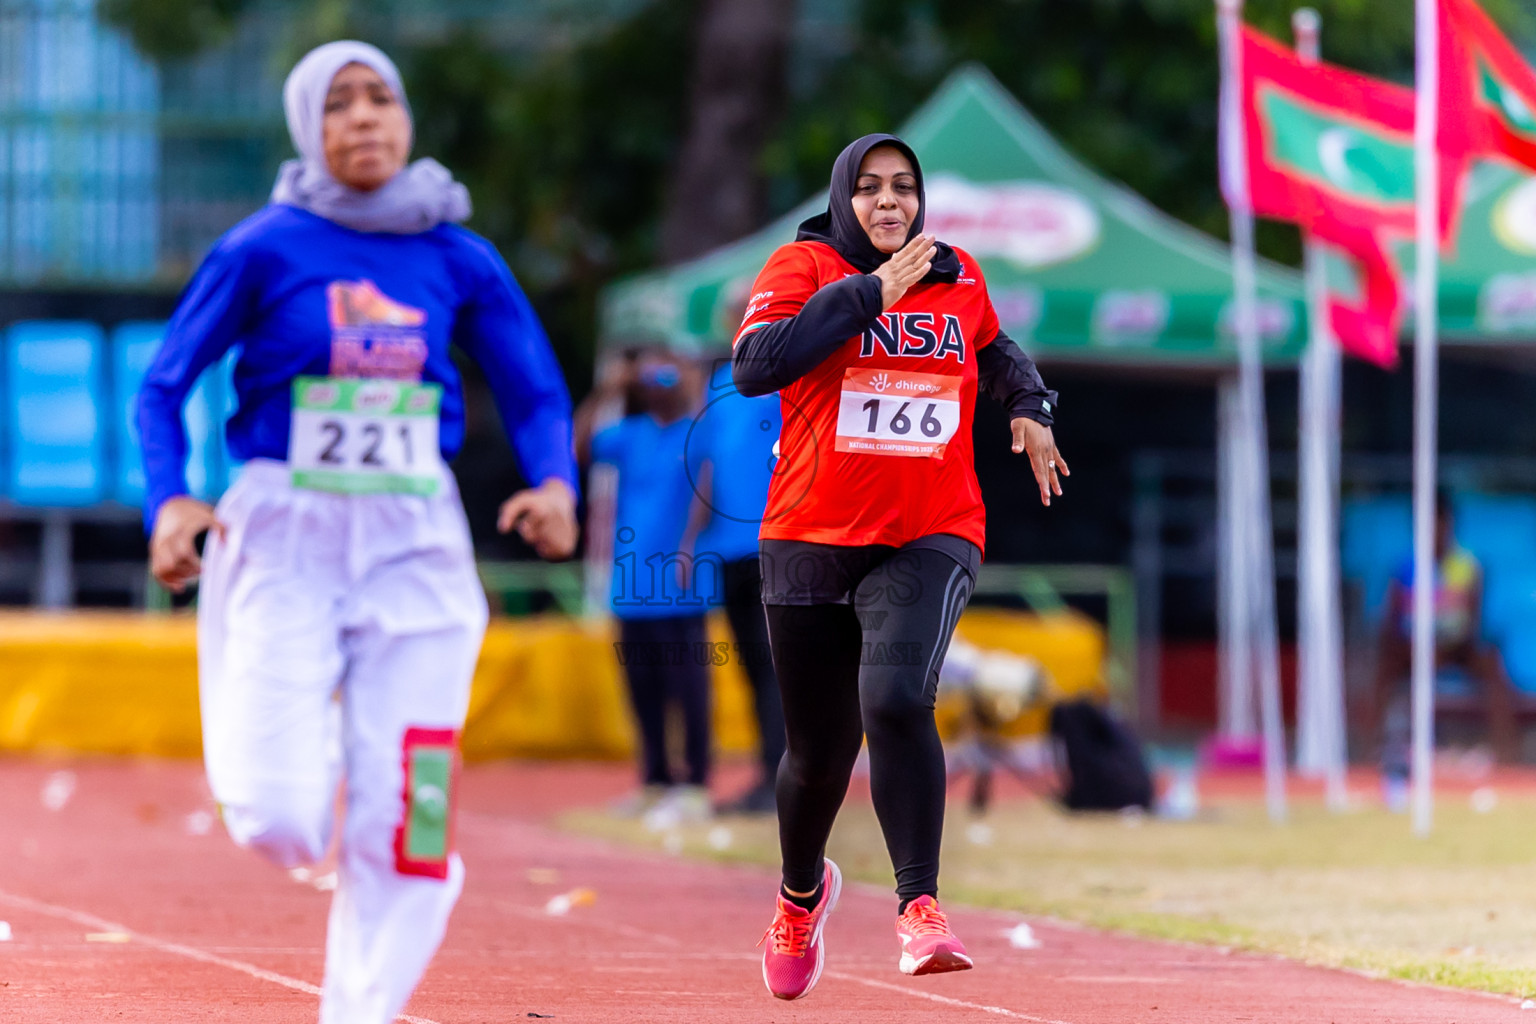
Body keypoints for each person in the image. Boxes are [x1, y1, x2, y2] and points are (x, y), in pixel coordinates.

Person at [136, 42, 578, 1024]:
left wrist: (555, 482)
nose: (366, 116)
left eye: (382, 97)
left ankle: (362, 1005)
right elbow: (162, 386)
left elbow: (536, 389)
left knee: (412, 817)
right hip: (284, 531)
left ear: (407, 117)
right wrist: (170, 499)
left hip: (415, 536)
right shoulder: (262, 247)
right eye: (339, 103)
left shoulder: (457, 254)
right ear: (308, 128)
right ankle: (329, 748)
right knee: (280, 819)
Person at [732, 133, 1064, 999]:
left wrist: (1030, 405)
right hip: (809, 535)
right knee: (818, 755)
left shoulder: (956, 274)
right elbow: (756, 366)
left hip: (931, 529)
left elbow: (995, 348)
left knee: (894, 698)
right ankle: (799, 896)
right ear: (844, 197)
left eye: (904, 187)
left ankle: (920, 908)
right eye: (871, 187)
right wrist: (869, 293)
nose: (889, 201)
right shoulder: (803, 266)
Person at [581, 348, 715, 824]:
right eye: (650, 376)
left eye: (666, 374)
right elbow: (580, 448)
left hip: (681, 584)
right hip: (632, 584)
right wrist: (608, 389)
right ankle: (655, 779)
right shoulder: (630, 434)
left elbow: (710, 481)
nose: (658, 383)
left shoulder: (698, 430)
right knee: (643, 690)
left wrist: (689, 543)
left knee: (690, 690)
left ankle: (695, 785)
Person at [683, 357, 786, 816]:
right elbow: (710, 463)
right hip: (728, 547)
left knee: (777, 668)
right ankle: (770, 775)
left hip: (777, 538)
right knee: (753, 667)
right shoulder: (720, 381)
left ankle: (783, 778)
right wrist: (690, 539)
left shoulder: (788, 366)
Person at [1374, 492, 1517, 799]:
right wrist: (1416, 648)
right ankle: (1370, 754)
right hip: (1411, 649)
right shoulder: (1405, 568)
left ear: (1449, 524)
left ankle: (1508, 758)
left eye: (1438, 523)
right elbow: (1390, 623)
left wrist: (1443, 648)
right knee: (1382, 667)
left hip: (1457, 649)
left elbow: (1472, 624)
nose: (1433, 531)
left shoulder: (1468, 567)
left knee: (1493, 665)